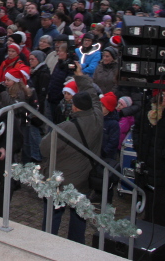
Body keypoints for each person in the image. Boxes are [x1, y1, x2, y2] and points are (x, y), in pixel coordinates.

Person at [40, 62, 103, 244]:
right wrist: (80, 75)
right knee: (78, 220)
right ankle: (75, 248)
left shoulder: (66, 127)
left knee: (52, 218)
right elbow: (92, 94)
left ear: (74, 107)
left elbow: (44, 148)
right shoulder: (98, 118)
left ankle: (47, 245)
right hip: (84, 181)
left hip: (61, 182)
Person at [133, 88, 165, 228]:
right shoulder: (146, 109)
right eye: (163, 95)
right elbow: (137, 128)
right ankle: (149, 221)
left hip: (160, 163)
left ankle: (160, 225)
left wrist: (163, 153)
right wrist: (139, 146)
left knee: (157, 196)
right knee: (147, 193)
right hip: (145, 159)